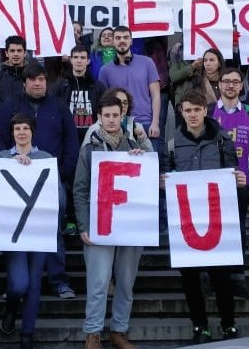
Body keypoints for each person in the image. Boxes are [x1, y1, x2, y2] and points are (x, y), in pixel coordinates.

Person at [0, 61, 79, 300]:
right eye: (32, 80)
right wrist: (5, 169)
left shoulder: (59, 107)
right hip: (15, 182)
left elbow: (71, 142)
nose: (37, 83)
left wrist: (62, 173)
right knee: (15, 229)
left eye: (41, 79)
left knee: (53, 228)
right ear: (24, 83)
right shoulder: (10, 105)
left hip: (51, 180)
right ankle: (15, 283)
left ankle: (59, 281)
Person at [74, 95, 152, 349]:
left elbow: (150, 182)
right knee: (98, 282)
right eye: (106, 115)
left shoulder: (135, 148)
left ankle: (119, 330)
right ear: (99, 117)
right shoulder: (89, 150)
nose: (110, 120)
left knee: (126, 283)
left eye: (115, 115)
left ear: (122, 117)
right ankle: (93, 333)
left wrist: (143, 158)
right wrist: (84, 225)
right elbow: (80, 189)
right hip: (100, 224)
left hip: (130, 225)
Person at [170, 90, 247, 343]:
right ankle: (199, 325)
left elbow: (232, 171)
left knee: (221, 277)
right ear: (181, 112)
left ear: (205, 110)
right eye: (187, 110)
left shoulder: (223, 140)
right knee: (190, 279)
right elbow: (166, 174)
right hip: (186, 221)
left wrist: (237, 178)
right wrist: (163, 181)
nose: (192, 115)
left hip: (216, 217)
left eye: (196, 109)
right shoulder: (172, 144)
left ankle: (228, 324)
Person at [0, 114, 55, 348]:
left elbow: (55, 194)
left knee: (34, 285)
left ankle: (27, 333)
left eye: (25, 128)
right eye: (17, 129)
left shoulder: (45, 158)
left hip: (39, 231)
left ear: (32, 131)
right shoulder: (2, 158)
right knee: (19, 283)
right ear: (12, 133)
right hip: (13, 232)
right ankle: (11, 308)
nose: (21, 132)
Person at [207, 66, 249, 300]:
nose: (230, 85)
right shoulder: (209, 111)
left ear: (242, 86)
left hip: (241, 181)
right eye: (226, 81)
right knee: (212, 230)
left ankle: (237, 279)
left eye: (235, 82)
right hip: (211, 182)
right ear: (218, 84)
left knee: (238, 230)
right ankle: (212, 280)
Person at [98, 25, 164, 163]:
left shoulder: (147, 62)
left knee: (151, 168)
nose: (122, 41)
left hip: (146, 124)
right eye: (118, 38)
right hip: (119, 126)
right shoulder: (105, 70)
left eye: (125, 37)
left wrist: (155, 122)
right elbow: (104, 102)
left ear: (131, 41)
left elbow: (156, 94)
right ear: (113, 41)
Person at [57, 45, 107, 143]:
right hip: (67, 137)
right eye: (75, 57)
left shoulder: (98, 86)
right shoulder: (61, 84)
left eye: (82, 57)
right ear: (70, 60)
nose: (79, 61)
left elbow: (104, 110)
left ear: (88, 61)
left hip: (92, 138)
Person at [80, 87, 153, 151]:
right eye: (118, 102)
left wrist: (142, 140)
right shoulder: (94, 129)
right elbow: (84, 155)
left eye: (125, 103)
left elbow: (150, 156)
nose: (122, 105)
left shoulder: (137, 128)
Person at [171, 48, 223, 118]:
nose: (208, 63)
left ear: (219, 63)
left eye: (212, 60)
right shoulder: (197, 81)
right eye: (205, 60)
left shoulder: (226, 80)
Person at [0, 35, 28, 107]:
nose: (16, 54)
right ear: (6, 53)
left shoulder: (32, 75)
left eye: (19, 51)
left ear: (25, 53)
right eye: (12, 51)